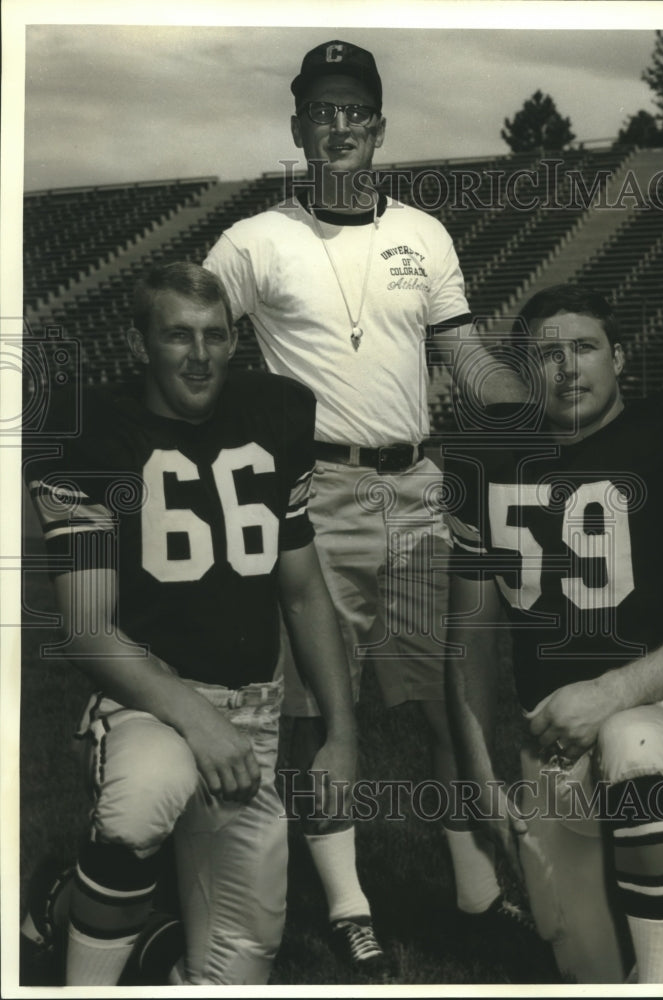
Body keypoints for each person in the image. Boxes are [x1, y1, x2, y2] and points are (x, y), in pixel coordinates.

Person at [203, 38, 531, 975]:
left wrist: (517, 404)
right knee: (316, 709)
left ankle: (477, 892)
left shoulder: (423, 234)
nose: (338, 125)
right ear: (297, 125)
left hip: (418, 488)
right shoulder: (253, 240)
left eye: (355, 111)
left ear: (378, 128)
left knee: (448, 703)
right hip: (319, 495)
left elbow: (463, 355)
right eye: (321, 110)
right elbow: (193, 345)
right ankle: (349, 906)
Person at [22, 262, 357, 986]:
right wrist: (197, 720)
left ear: (235, 338)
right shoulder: (90, 433)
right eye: (177, 335)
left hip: (254, 714)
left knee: (235, 971)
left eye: (215, 335)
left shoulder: (275, 413)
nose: (199, 356)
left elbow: (302, 593)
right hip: (148, 701)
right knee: (144, 798)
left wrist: (340, 730)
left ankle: (72, 904)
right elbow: (86, 629)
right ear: (139, 339)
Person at [443, 283, 663, 983]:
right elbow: (468, 644)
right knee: (590, 972)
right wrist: (479, 777)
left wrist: (607, 693)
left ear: (618, 356)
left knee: (631, 745)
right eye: (544, 355)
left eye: (582, 347)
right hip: (548, 738)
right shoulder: (488, 464)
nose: (565, 367)